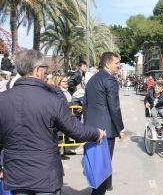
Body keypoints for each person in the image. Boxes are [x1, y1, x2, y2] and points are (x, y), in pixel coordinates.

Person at [0, 50, 105, 195]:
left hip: (16, 176)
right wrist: (97, 133)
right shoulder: (52, 100)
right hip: (45, 177)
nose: (46, 73)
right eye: (44, 69)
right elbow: (76, 130)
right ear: (37, 70)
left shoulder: (3, 99)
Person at [85, 52, 125, 195]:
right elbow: (114, 107)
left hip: (91, 129)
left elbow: (86, 105)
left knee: (98, 165)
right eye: (116, 63)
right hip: (106, 131)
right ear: (108, 64)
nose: (118, 66)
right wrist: (120, 128)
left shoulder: (92, 80)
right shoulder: (110, 80)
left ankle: (107, 185)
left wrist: (86, 126)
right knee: (102, 167)